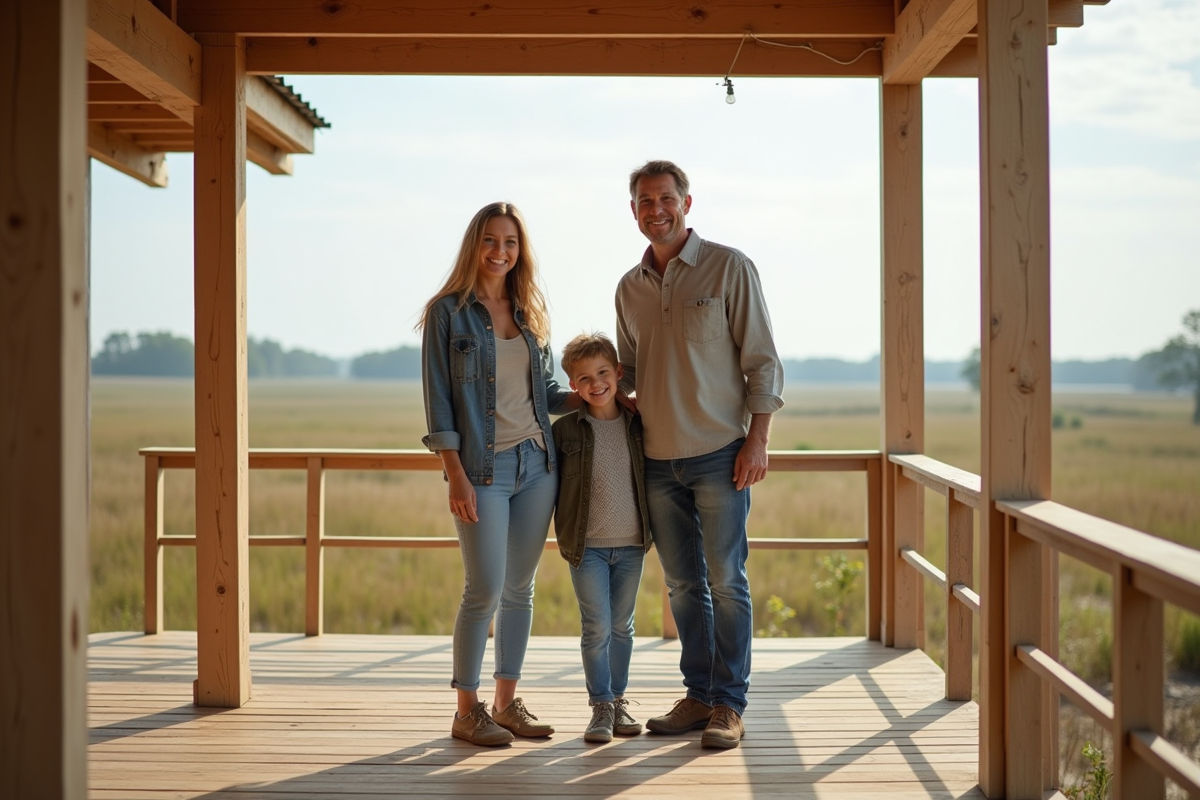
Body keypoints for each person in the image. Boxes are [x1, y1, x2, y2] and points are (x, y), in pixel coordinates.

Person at [614, 160, 785, 750]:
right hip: (657, 461)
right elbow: (627, 371)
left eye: (665, 198)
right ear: (632, 210)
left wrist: (757, 440)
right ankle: (698, 696)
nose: (654, 209)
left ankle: (729, 705)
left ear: (688, 203)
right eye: (643, 201)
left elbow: (762, 362)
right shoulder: (629, 287)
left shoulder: (728, 267)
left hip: (720, 455)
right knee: (684, 586)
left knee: (727, 582)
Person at [419, 201, 577, 747]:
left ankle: (507, 704)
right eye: (490, 240)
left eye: (510, 242)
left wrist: (595, 395)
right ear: (474, 245)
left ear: (520, 250)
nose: (500, 251)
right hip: (482, 469)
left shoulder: (530, 312)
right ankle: (467, 711)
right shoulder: (448, 313)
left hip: (538, 464)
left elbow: (545, 394)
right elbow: (439, 402)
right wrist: (455, 473)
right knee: (482, 588)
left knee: (520, 588)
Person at [550, 333, 653, 744]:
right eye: (584, 378)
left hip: (631, 544)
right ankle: (601, 707)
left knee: (623, 627)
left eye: (603, 373)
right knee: (596, 628)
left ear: (619, 374)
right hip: (587, 547)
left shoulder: (638, 424)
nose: (595, 384)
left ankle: (619, 700)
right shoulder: (565, 432)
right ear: (572, 385)